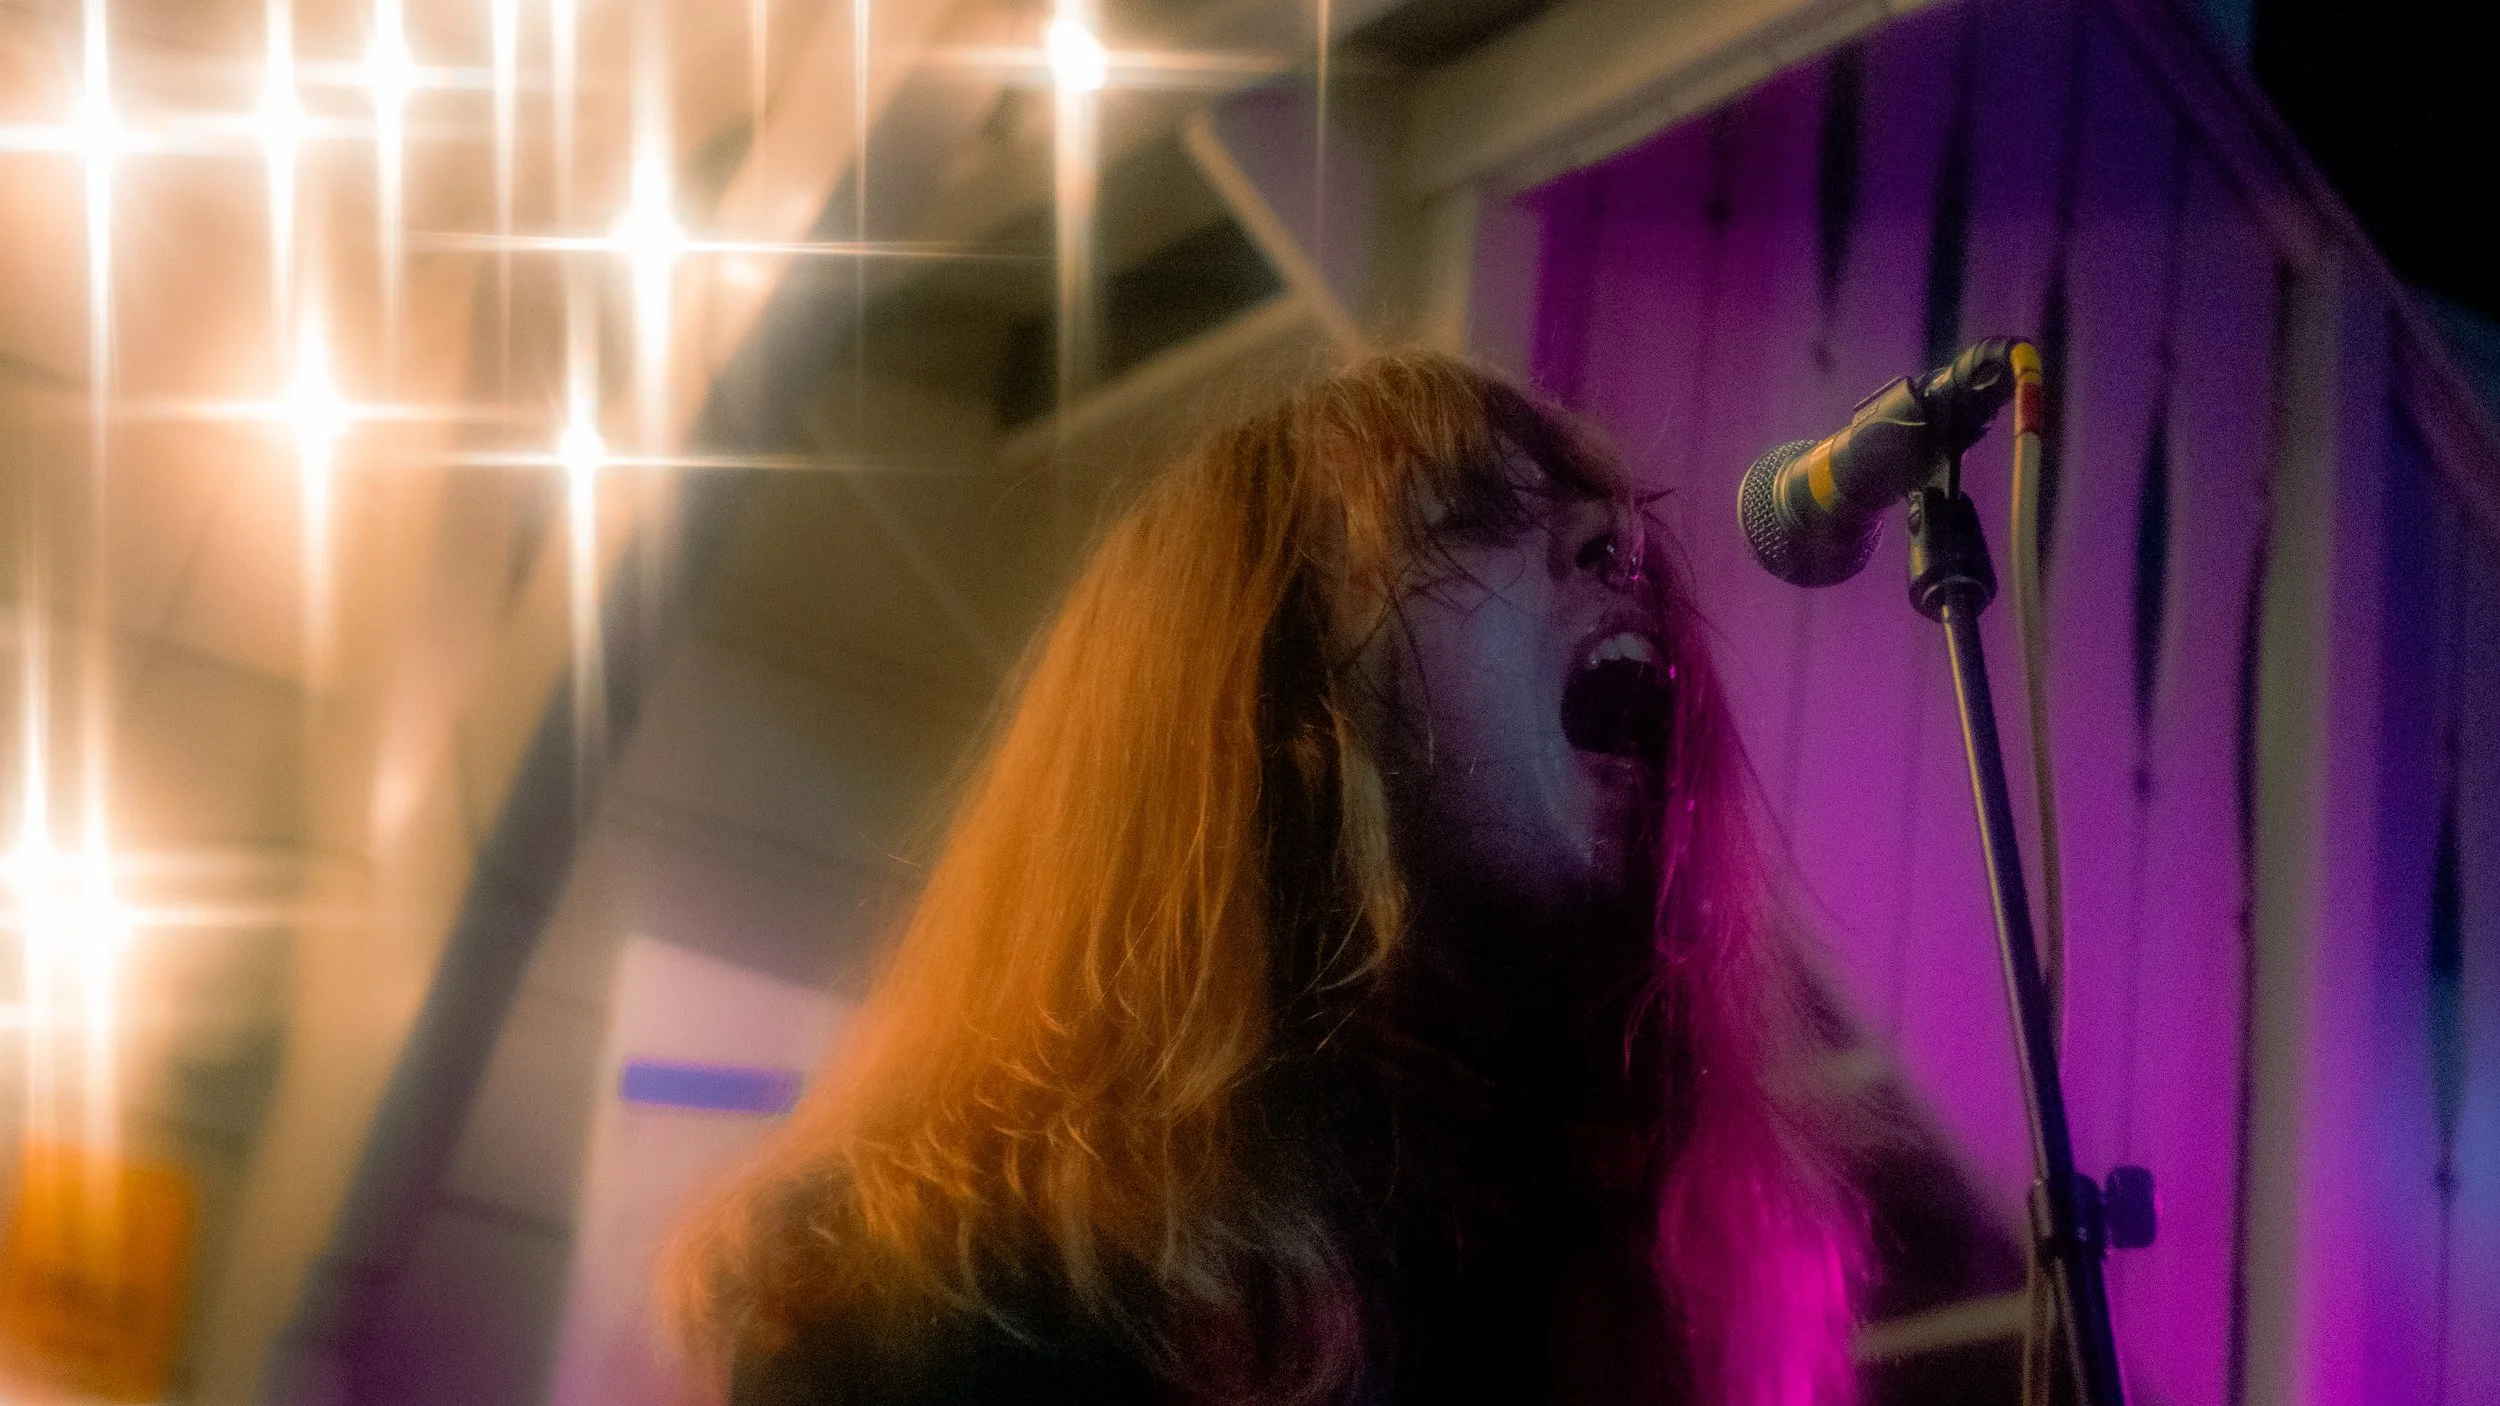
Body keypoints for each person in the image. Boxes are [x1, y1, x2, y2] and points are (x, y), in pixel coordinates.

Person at [661, 351, 1881, 1405]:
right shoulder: (944, 1302)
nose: (1621, 543)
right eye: (1464, 511)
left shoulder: (1632, 1294)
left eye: (1620, 530)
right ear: (1275, 699)